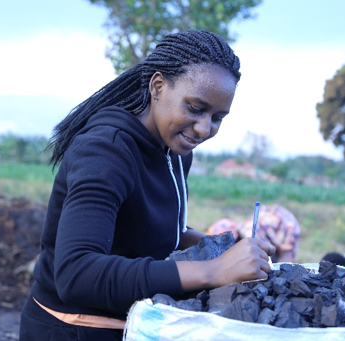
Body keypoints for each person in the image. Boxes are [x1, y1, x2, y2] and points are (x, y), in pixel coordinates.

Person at [19, 30, 275, 341]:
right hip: (75, 328)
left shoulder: (176, 151)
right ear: (157, 86)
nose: (204, 129)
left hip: (139, 324)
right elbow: (77, 273)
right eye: (195, 108)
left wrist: (224, 250)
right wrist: (213, 271)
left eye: (218, 117)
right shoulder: (105, 151)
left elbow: (160, 235)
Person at [206, 204, 300, 263]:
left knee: (284, 265)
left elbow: (267, 252)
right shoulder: (240, 230)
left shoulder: (253, 236)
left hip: (287, 224)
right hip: (272, 217)